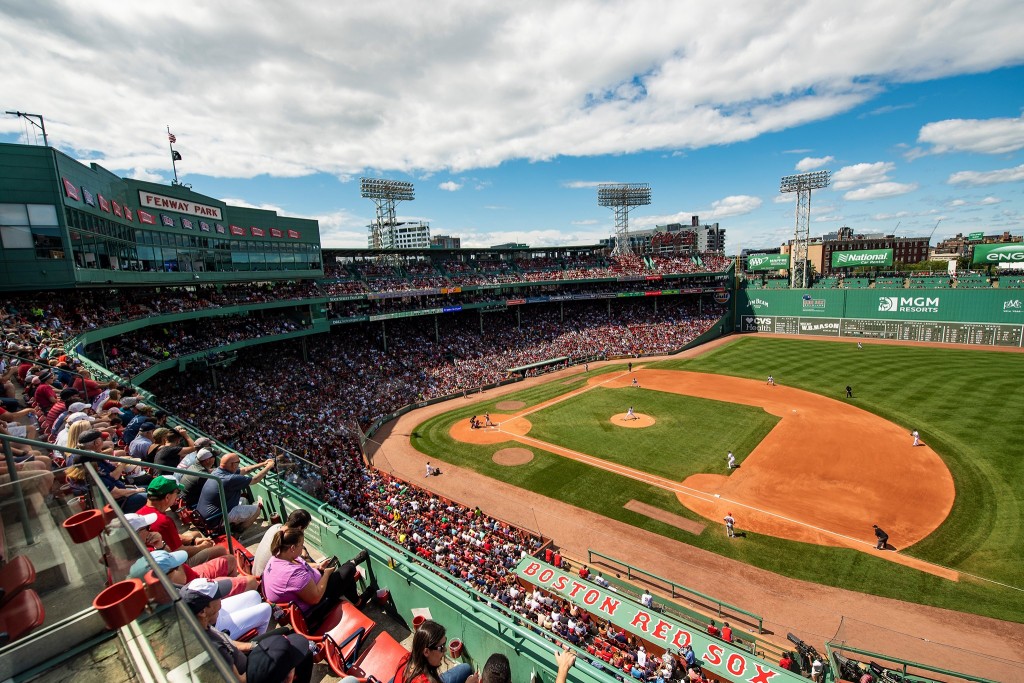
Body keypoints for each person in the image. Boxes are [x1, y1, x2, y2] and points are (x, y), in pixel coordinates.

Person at [178, 579, 314, 683]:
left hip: (245, 655)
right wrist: (279, 665)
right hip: (250, 673)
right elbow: (240, 680)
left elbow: (227, 642)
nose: (221, 599)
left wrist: (255, 647)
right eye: (217, 597)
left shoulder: (201, 622)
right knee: (305, 655)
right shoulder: (214, 649)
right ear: (203, 611)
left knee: (286, 633)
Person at [261, 527, 371, 630]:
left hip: (310, 589)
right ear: (292, 548)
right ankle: (353, 565)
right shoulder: (292, 575)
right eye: (301, 545)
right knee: (347, 572)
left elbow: (302, 563)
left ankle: (357, 599)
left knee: (344, 579)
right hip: (315, 609)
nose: (302, 548)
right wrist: (327, 574)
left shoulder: (277, 557)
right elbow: (316, 598)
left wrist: (317, 566)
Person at [196, 453, 275, 530]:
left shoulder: (217, 471)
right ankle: (237, 534)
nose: (238, 464)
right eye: (238, 462)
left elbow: (244, 470)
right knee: (257, 510)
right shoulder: (229, 479)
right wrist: (269, 466)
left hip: (203, 516)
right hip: (216, 519)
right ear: (233, 465)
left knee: (243, 500)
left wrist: (263, 464)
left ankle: (234, 526)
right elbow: (255, 479)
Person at [401, 619, 476, 683]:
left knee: (465, 669)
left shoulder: (407, 658)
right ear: (426, 652)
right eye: (441, 647)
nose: (445, 649)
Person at [252, 508, 312, 577]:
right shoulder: (287, 542)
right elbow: (299, 563)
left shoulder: (276, 527)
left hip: (256, 571)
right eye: (305, 528)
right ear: (299, 528)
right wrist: (305, 557)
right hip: (264, 578)